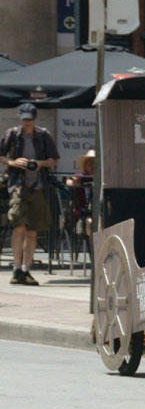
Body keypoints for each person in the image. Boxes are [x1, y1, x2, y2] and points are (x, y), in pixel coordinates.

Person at [1, 103, 60, 285]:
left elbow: (54, 159)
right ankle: (16, 268)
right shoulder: (12, 134)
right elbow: (1, 155)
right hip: (18, 186)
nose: (26, 122)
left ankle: (26, 270)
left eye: (29, 119)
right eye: (24, 118)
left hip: (38, 185)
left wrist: (40, 163)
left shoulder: (43, 136)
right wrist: (12, 162)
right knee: (19, 227)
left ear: (34, 118)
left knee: (33, 232)